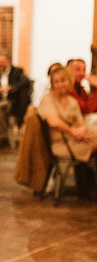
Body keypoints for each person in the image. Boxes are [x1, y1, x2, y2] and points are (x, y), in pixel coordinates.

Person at [39, 63, 96, 196]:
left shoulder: (71, 101)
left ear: (69, 81)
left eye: (63, 81)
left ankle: (87, 186)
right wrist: (73, 131)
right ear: (52, 84)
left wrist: (82, 131)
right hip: (61, 143)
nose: (60, 85)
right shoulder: (48, 99)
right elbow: (53, 121)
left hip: (76, 139)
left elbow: (81, 122)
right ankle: (89, 187)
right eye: (56, 82)